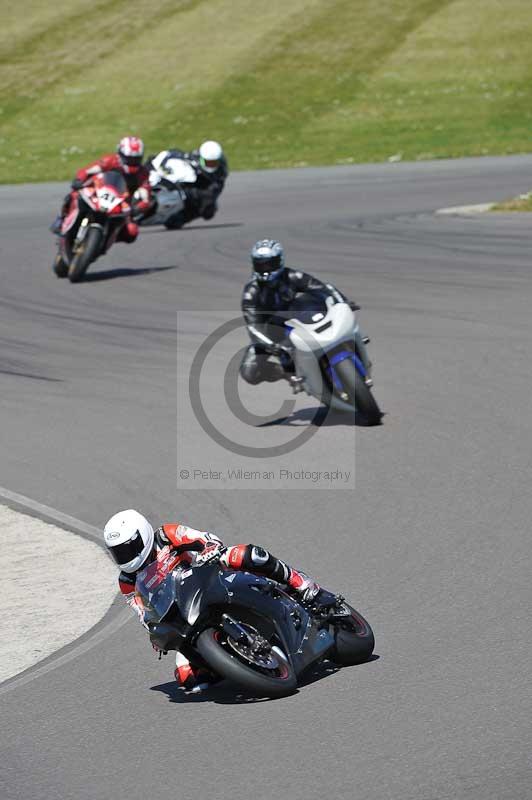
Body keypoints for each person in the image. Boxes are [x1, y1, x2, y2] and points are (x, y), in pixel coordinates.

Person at [103, 509, 332, 693]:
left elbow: (204, 538)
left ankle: (300, 582)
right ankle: (238, 663)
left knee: (246, 554)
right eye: (118, 553)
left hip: (208, 576)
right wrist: (153, 629)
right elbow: (142, 612)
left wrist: (209, 549)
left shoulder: (166, 535)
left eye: (127, 549)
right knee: (188, 678)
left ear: (142, 535)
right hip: (184, 610)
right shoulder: (126, 581)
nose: (124, 557)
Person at [240, 239, 370, 389]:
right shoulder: (251, 292)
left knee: (336, 309)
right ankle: (290, 374)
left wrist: (343, 302)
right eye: (260, 264)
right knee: (248, 372)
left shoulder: (292, 276)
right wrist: (270, 345)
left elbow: (323, 288)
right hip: (269, 329)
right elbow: (252, 326)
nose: (265, 269)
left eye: (270, 263)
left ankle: (356, 342)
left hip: (296, 315)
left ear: (279, 261)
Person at [50, 136, 152, 241]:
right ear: (120, 154)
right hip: (99, 192)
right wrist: (79, 180)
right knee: (74, 196)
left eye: (135, 159)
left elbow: (146, 198)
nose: (132, 162)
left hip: (121, 203)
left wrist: (137, 208)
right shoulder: (110, 160)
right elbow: (88, 170)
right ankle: (61, 220)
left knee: (132, 232)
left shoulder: (143, 174)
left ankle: (106, 239)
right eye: (129, 158)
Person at [145, 140, 228, 227]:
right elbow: (174, 154)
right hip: (172, 179)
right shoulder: (194, 157)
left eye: (214, 163)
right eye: (208, 162)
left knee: (209, 209)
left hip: (194, 193)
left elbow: (214, 192)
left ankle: (178, 216)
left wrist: (194, 193)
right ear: (201, 158)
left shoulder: (220, 172)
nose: (211, 165)